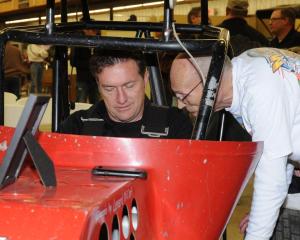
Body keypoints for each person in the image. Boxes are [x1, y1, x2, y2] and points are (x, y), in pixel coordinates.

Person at [170, 48, 300, 239]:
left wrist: (258, 231)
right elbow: (282, 149)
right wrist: (263, 215)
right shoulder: (246, 69)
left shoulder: (259, 91)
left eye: (183, 95)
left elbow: (272, 177)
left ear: (211, 82)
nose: (180, 104)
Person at [61, 50, 193, 139]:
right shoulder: (76, 128)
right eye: (109, 88)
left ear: (146, 79)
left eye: (129, 86)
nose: (121, 99)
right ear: (98, 85)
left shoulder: (175, 125)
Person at [70, 28, 100, 104]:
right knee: (80, 103)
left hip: (95, 79)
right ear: (85, 30)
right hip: (82, 79)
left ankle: (95, 116)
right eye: (93, 30)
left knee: (96, 104)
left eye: (96, 31)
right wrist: (90, 63)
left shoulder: (98, 42)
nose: (95, 33)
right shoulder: (78, 43)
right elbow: (73, 62)